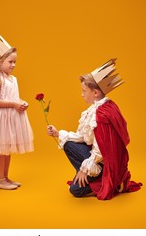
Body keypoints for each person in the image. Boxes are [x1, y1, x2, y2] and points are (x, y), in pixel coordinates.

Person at [47, 59, 142, 200]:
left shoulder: (102, 114)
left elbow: (102, 150)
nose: (82, 94)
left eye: (84, 91)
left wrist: (85, 170)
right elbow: (84, 137)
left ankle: (102, 179)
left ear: (96, 93)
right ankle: (90, 176)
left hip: (108, 162)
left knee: (75, 190)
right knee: (68, 144)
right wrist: (58, 133)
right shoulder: (100, 107)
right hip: (101, 157)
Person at [0, 32, 34, 190]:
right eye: (10, 62)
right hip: (2, 117)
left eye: (15, 62)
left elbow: (14, 96)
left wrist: (21, 102)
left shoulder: (13, 79)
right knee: (1, 149)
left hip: (11, 116)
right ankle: (0, 179)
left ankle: (6, 177)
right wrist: (13, 104)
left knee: (8, 148)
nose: (13, 65)